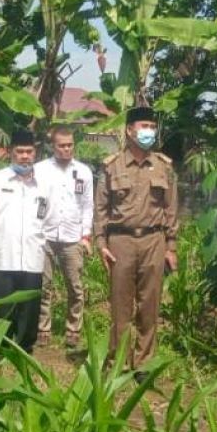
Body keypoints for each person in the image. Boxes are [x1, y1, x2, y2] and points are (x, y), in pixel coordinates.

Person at [93, 106, 178, 379]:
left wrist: (171, 246)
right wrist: (100, 243)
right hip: (121, 241)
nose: (148, 132)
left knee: (149, 305)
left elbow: (171, 208)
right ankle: (118, 361)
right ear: (129, 130)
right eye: (143, 126)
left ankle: (143, 363)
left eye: (152, 127)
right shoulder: (112, 166)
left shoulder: (164, 166)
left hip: (154, 240)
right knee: (120, 306)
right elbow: (100, 209)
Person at [0, 128, 51, 354]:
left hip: (32, 257)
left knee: (29, 308)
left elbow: (48, 218)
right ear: (11, 153)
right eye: (20, 152)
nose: (25, 156)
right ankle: (1, 347)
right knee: (2, 307)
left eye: (29, 152)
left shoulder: (44, 185)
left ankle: (24, 349)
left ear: (35, 153)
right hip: (2, 256)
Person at [34, 126, 94, 350]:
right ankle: (43, 328)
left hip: (72, 237)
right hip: (45, 235)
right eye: (62, 145)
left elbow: (88, 206)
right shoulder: (39, 170)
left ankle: (73, 330)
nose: (66, 149)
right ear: (53, 146)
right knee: (43, 285)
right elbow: (34, 201)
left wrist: (85, 236)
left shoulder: (84, 172)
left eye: (70, 145)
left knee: (75, 287)